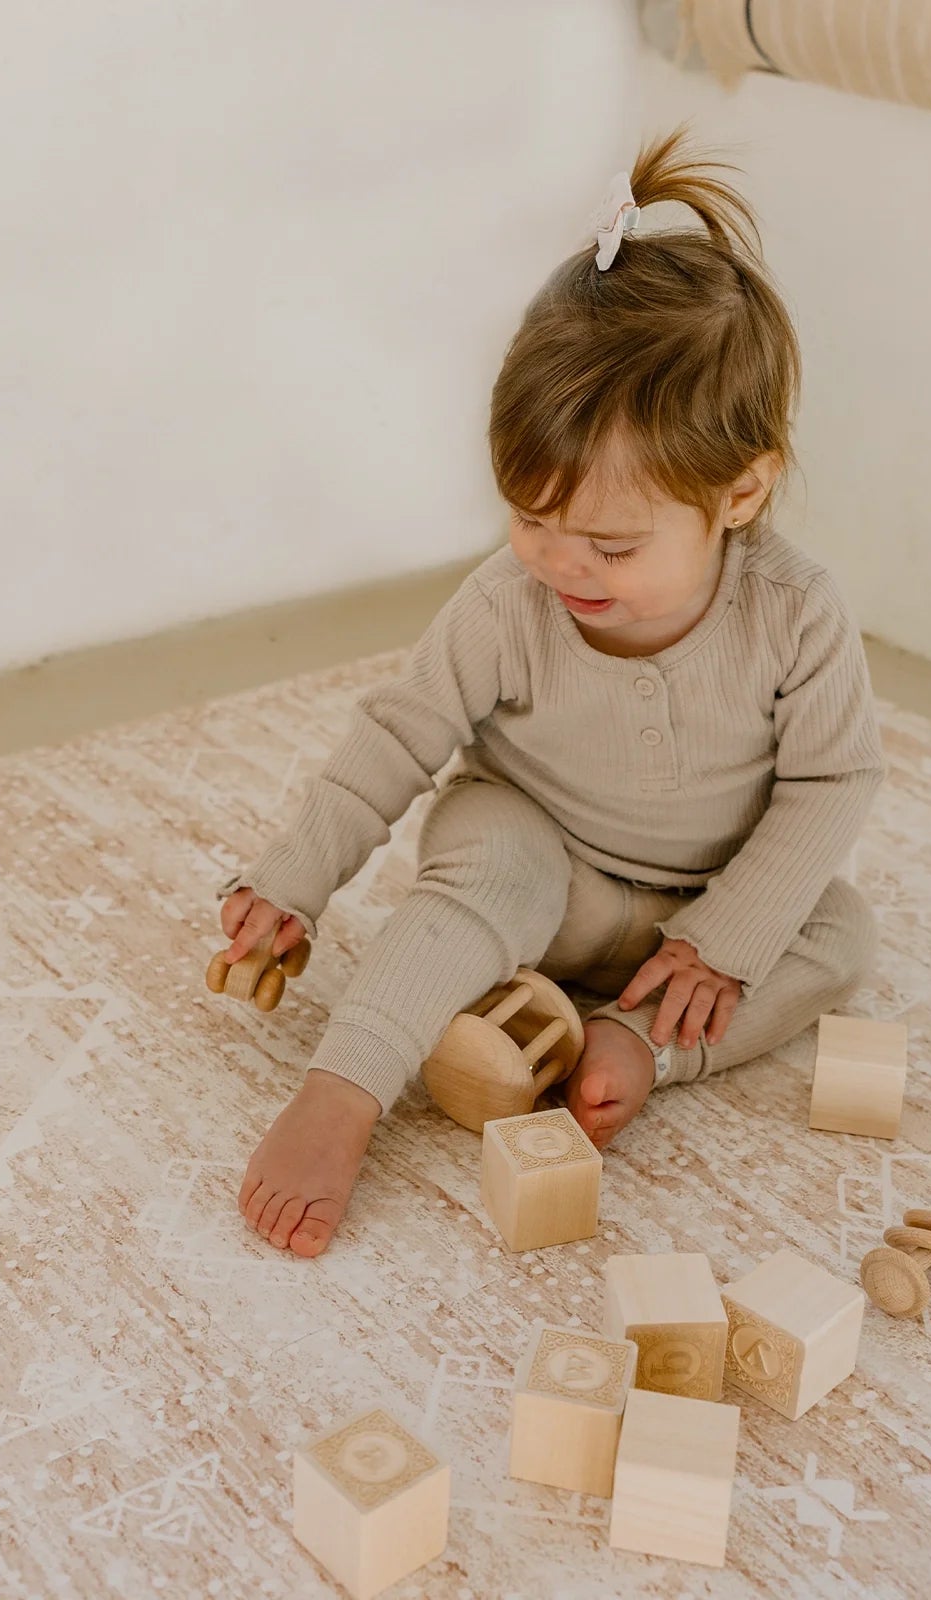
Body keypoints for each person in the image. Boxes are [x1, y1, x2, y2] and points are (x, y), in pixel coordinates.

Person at [216, 127, 884, 1259]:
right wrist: (294, 880)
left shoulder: (796, 611)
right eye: (531, 520)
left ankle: (639, 1040)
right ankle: (346, 1085)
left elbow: (833, 781)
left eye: (610, 547)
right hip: (549, 870)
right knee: (488, 858)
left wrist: (725, 937)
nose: (562, 566)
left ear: (738, 495)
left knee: (836, 931)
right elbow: (398, 737)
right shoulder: (503, 605)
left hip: (690, 911)